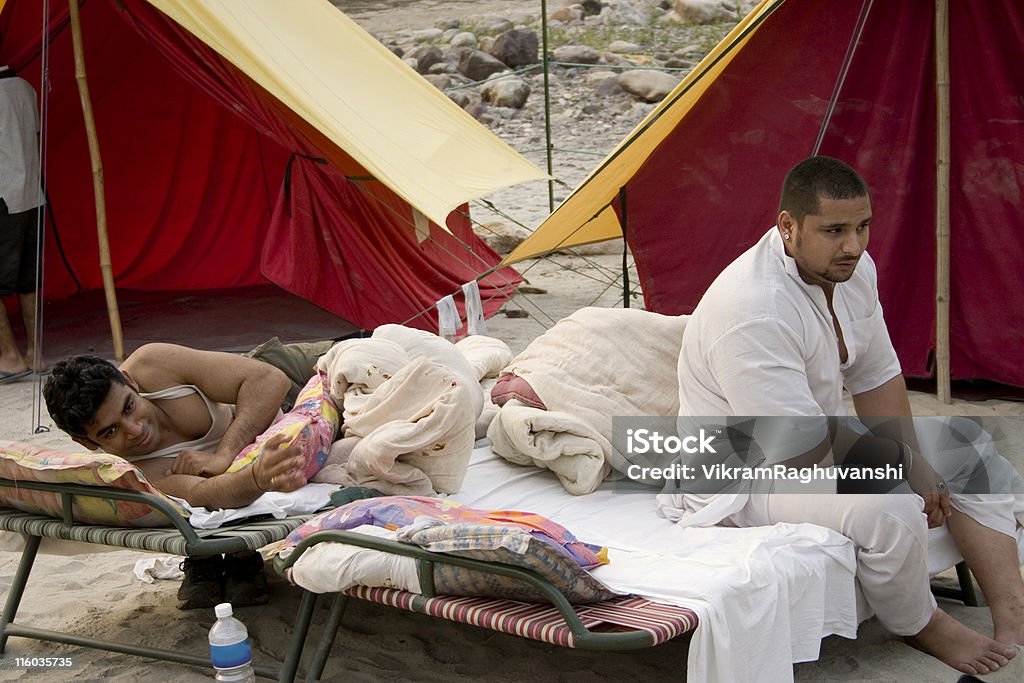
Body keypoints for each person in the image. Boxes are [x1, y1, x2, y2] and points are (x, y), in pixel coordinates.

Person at [668, 156, 1024, 675]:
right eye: (833, 230)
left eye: (862, 227)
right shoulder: (752, 309)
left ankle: (1011, 616)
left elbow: (877, 377)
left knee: (968, 447)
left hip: (820, 441)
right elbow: (798, 444)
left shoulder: (852, 270)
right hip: (742, 471)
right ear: (787, 226)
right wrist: (904, 467)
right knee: (893, 506)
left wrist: (913, 456)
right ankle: (923, 625)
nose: (853, 245)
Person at [43, 342, 310, 609]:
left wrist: (224, 454)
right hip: (287, 429)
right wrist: (255, 479)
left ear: (129, 381)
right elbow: (205, 494)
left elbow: (270, 379)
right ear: (87, 443)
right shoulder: (136, 471)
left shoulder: (153, 365)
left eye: (129, 407)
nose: (134, 430)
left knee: (348, 356)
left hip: (281, 378)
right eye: (110, 432)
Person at [0, 65, 45, 382]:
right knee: (28, 280)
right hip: (32, 193)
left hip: (3, 197)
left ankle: (10, 357)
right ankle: (35, 352)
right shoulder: (25, 87)